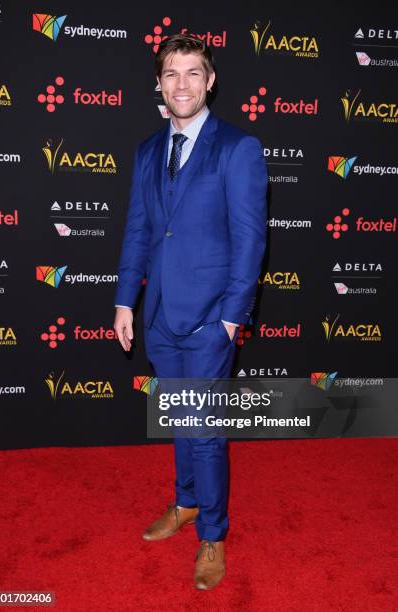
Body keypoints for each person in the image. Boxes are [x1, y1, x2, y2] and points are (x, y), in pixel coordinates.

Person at [114, 33, 267, 590]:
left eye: (193, 73)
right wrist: (124, 300)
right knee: (179, 418)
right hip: (159, 315)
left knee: (204, 431)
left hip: (209, 319)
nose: (182, 84)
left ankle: (213, 533)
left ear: (211, 81)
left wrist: (232, 315)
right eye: (172, 74)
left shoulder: (237, 148)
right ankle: (183, 504)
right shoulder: (148, 150)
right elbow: (138, 231)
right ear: (159, 83)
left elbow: (251, 238)